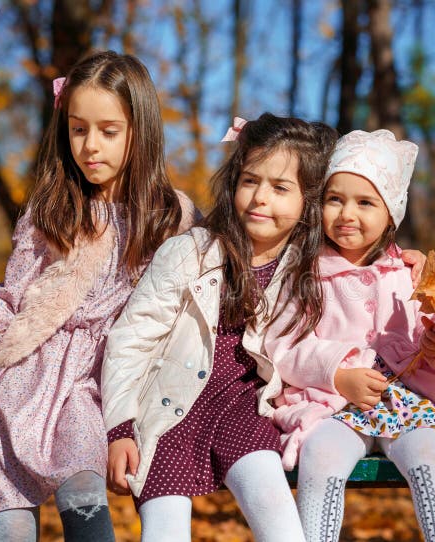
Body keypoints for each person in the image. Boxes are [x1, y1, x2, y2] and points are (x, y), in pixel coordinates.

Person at [0, 50, 197, 542]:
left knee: (83, 487)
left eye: (109, 131)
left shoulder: (169, 217)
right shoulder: (52, 209)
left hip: (101, 382)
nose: (90, 146)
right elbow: (15, 298)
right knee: (10, 513)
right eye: (77, 129)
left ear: (142, 130)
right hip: (30, 379)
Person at [264, 129, 435, 542]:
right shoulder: (304, 274)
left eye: (365, 202)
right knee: (321, 456)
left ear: (391, 213)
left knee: (431, 456)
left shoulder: (411, 275)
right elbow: (282, 347)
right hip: (337, 404)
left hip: (409, 402)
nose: (347, 213)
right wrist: (337, 374)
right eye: (335, 199)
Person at [102, 113, 341, 542]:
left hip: (244, 413)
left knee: (282, 525)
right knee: (164, 533)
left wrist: (401, 256)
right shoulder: (188, 253)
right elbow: (129, 342)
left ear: (310, 201)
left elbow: (369, 264)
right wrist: (120, 428)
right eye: (250, 180)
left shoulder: (309, 269)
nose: (259, 197)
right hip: (169, 412)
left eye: (281, 187)